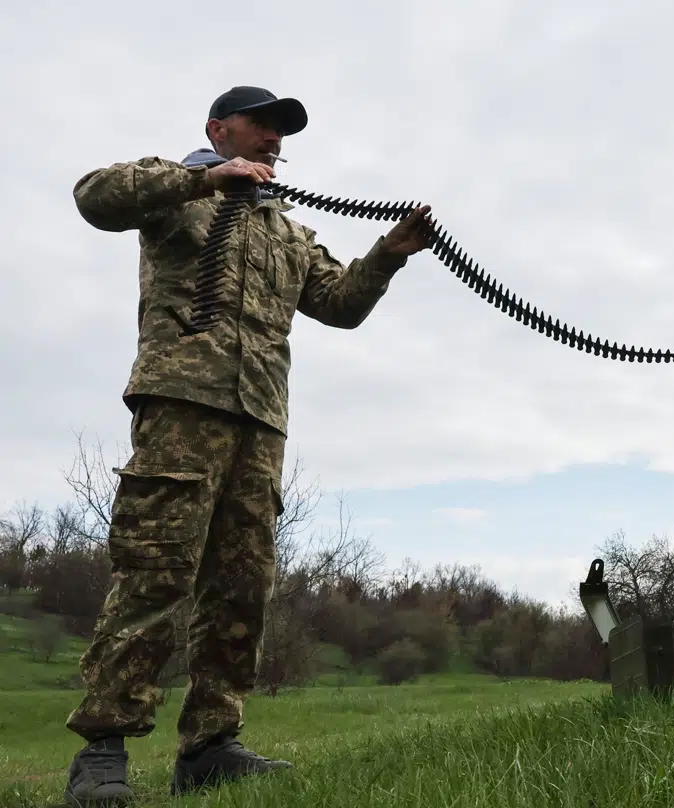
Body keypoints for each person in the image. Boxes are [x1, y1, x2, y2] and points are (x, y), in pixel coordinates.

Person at [60, 85, 433, 806]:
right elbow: (93, 197)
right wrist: (205, 178)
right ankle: (102, 750)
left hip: (260, 423)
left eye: (280, 131)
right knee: (154, 571)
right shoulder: (178, 189)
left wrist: (387, 254)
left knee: (241, 589)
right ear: (219, 129)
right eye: (260, 126)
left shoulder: (287, 231)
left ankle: (210, 745)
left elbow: (339, 305)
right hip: (182, 406)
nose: (272, 139)